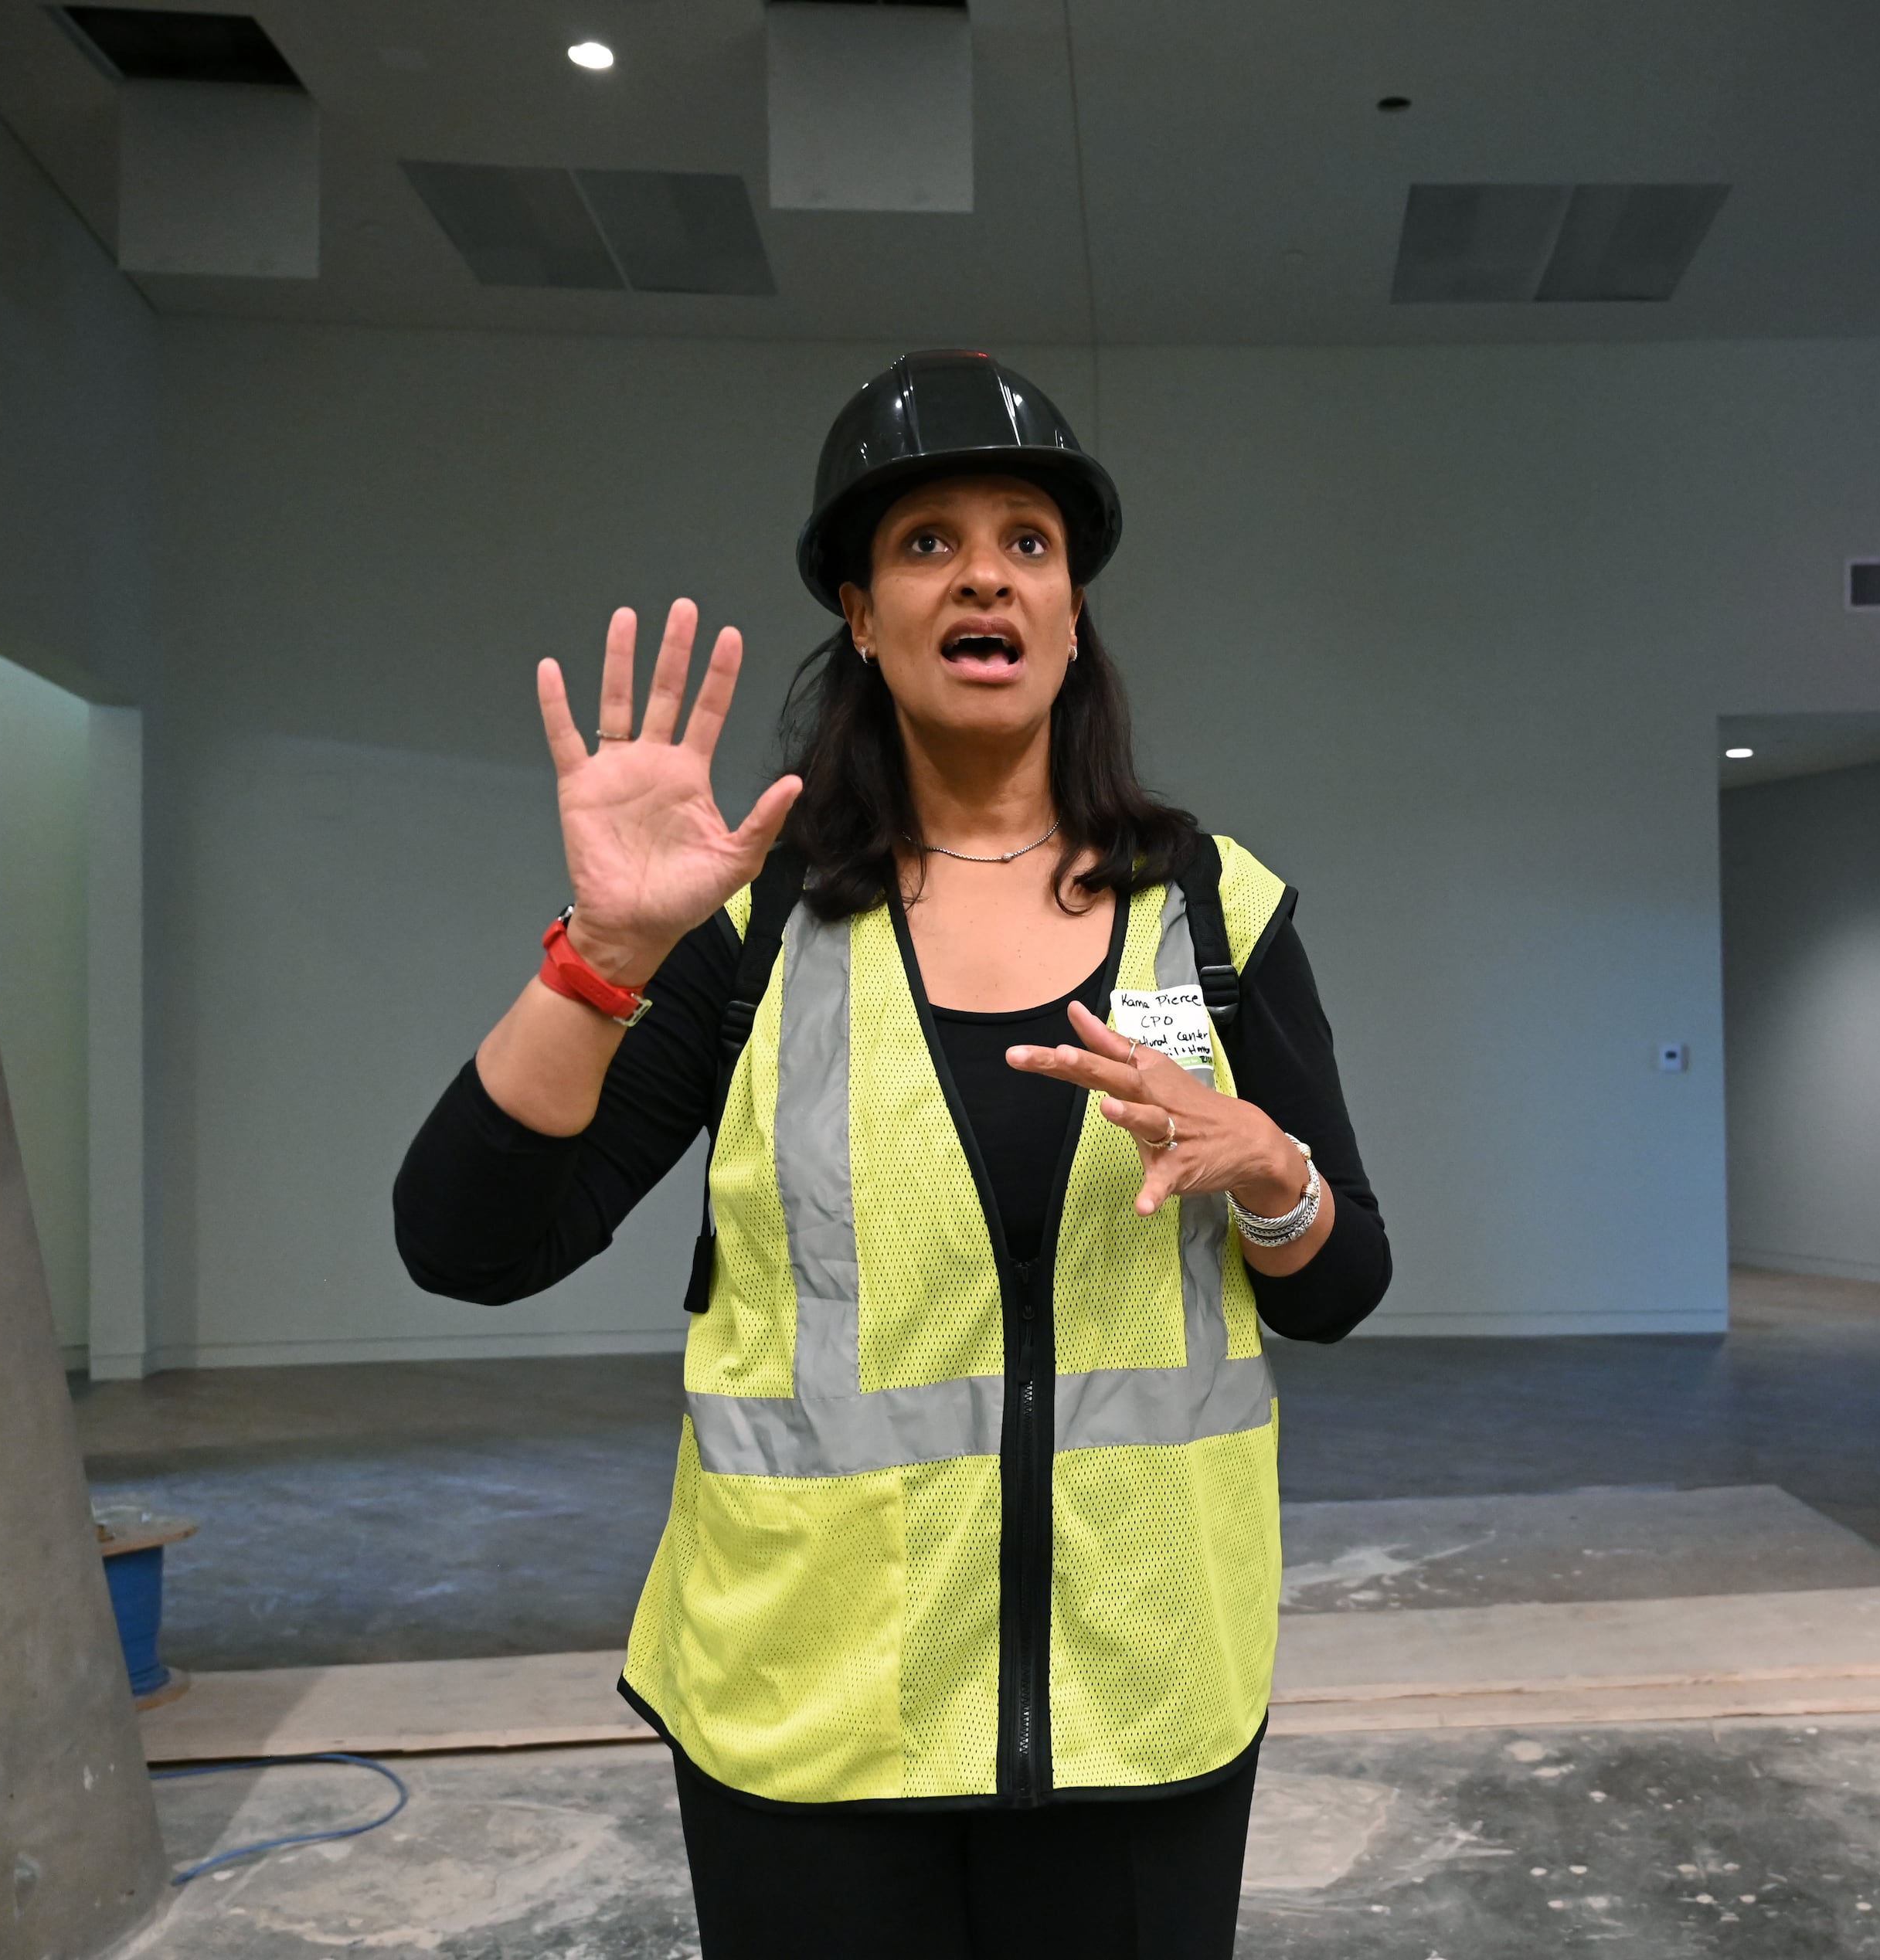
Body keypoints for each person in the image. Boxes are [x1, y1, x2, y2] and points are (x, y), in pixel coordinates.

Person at [392, 350, 1390, 1958]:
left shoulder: (1212, 911)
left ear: (1071, 613)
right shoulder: (757, 925)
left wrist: (1275, 1169)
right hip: (815, 1718)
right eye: (927, 542)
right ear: (861, 614)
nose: (983, 571)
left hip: (1137, 1708)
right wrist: (597, 957)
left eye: (1027, 541)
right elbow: (469, 1242)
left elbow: (1341, 1284)